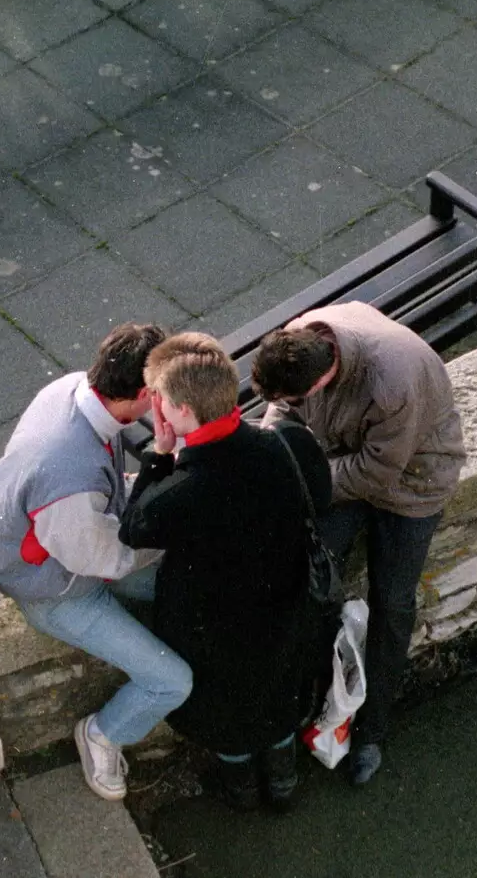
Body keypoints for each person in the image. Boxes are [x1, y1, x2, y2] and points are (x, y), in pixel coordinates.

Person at [0, 322, 192, 803]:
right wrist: (171, 530)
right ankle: (103, 734)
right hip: (55, 589)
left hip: (74, 542)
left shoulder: (72, 388)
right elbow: (106, 561)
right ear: (139, 395)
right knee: (171, 682)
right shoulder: (69, 479)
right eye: (159, 393)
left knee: (191, 582)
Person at [251, 302, 465, 786]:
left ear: (323, 378)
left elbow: (376, 471)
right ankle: (320, 702)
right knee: (310, 577)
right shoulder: (300, 342)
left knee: (392, 602)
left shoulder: (393, 381)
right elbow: (284, 406)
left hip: (412, 481)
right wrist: (271, 441)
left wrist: (304, 474)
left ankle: (373, 730)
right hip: (346, 460)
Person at [118, 333, 332, 812]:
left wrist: (159, 455)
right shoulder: (282, 443)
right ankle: (282, 786)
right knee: (278, 711)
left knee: (228, 726)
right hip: (283, 618)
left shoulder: (182, 493)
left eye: (161, 403)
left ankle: (240, 792)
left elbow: (134, 527)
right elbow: (319, 498)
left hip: (213, 637)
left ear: (181, 410)